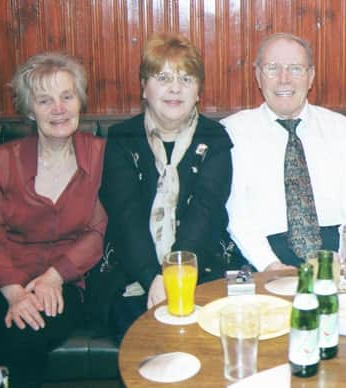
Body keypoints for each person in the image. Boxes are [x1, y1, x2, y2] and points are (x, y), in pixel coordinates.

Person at [0, 53, 107, 387]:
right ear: (30, 111)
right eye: (45, 101)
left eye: (66, 96)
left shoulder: (102, 154)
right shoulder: (0, 160)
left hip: (64, 282)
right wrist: (16, 293)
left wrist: (54, 276)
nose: (58, 109)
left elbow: (97, 231)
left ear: (80, 102)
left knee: (27, 336)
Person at [99, 32, 233, 342]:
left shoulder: (215, 139)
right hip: (133, 273)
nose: (175, 88)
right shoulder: (122, 139)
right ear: (144, 87)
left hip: (202, 268)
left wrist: (173, 277)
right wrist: (152, 278)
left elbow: (205, 214)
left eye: (186, 79)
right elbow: (126, 216)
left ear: (198, 91)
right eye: (163, 77)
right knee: (145, 347)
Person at [222, 32, 346, 272]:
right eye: (272, 68)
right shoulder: (233, 132)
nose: (284, 79)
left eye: (295, 69)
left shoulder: (343, 129)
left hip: (336, 252)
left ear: (311, 76)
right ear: (258, 76)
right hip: (262, 255)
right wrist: (269, 265)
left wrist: (344, 260)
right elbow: (237, 215)